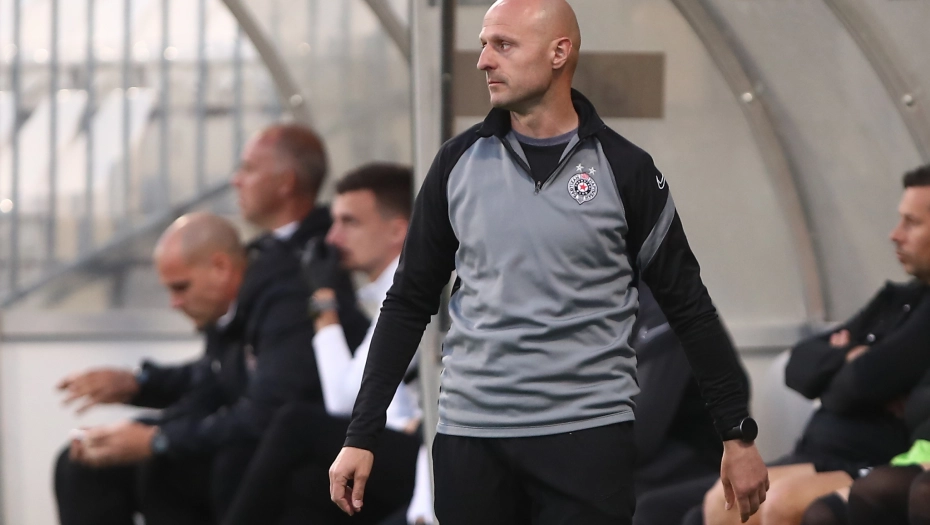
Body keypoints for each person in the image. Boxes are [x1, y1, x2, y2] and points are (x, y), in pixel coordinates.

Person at [328, 1, 768, 524]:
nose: (483, 60)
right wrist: (362, 434)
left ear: (559, 53)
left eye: (503, 45)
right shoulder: (456, 163)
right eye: (484, 44)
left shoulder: (625, 169)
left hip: (585, 439)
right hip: (471, 438)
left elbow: (689, 307)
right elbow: (406, 302)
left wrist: (737, 435)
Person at [692, 164, 930, 525]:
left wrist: (839, 366)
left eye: (911, 223)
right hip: (816, 452)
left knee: (781, 504)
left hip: (869, 457)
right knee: (722, 502)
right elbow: (799, 365)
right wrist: (850, 358)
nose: (895, 235)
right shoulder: (893, 300)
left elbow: (860, 384)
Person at [55, 212, 321, 524]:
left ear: (221, 268)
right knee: (82, 462)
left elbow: (266, 413)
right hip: (241, 442)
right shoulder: (227, 311)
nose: (174, 303)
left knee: (163, 466)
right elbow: (210, 377)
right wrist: (138, 384)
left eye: (181, 288)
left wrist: (159, 439)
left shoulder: (284, 304)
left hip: (281, 459)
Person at [223, 164, 422, 525]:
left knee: (295, 423)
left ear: (397, 230)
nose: (332, 238)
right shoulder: (384, 294)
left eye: (349, 223)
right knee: (305, 487)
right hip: (394, 445)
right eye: (333, 223)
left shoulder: (415, 295)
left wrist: (323, 301)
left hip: (426, 458)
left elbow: (344, 400)